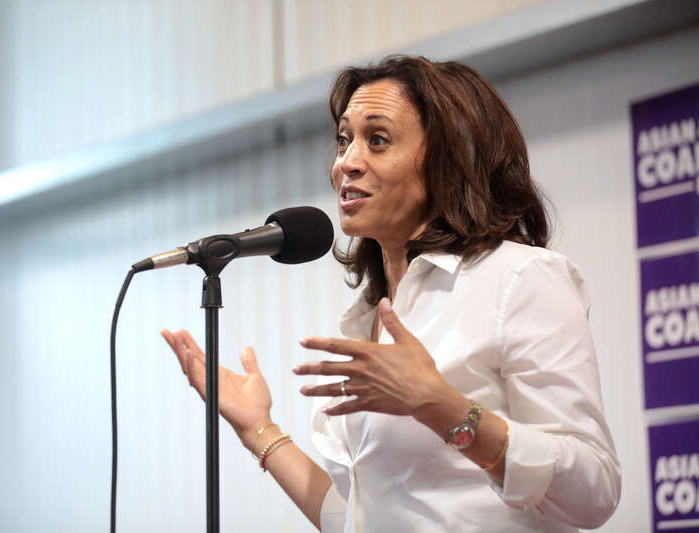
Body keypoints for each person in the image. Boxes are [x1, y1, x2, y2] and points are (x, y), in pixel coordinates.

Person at [161, 55, 621, 532]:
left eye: (376, 140)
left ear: (448, 160)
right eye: (344, 140)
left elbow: (596, 490)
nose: (346, 163)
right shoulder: (368, 317)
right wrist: (258, 428)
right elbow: (359, 518)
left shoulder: (518, 279)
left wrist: (440, 405)